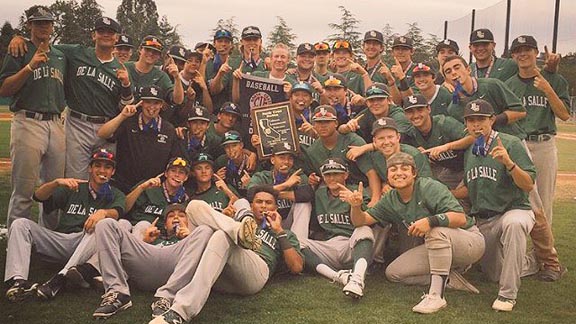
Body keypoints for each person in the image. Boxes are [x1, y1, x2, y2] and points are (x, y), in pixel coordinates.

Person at [340, 152, 484, 313]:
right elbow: (362, 221)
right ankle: (450, 279)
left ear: (414, 173)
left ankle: (436, 296)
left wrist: (430, 221)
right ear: (388, 176)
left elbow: (460, 218)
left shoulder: (429, 186)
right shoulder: (391, 198)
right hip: (436, 246)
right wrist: (355, 207)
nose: (399, 173)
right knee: (394, 273)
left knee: (435, 231)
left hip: (468, 241)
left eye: (404, 169)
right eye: (393, 169)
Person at [150, 186, 303, 323]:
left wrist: (279, 232)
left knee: (221, 236)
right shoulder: (234, 221)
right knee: (194, 206)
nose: (263, 206)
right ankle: (240, 234)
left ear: (276, 207)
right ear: (251, 206)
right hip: (221, 273)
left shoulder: (285, 234)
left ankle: (180, 312)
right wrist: (228, 222)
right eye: (259, 202)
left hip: (255, 271)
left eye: (268, 202)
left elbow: (296, 267)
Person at [7, 16, 134, 180]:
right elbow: (45, 45)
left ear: (116, 37)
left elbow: (125, 105)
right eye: (101, 31)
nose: (106, 35)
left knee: (103, 180)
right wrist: (19, 38)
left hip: (106, 126)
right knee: (76, 179)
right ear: (93, 35)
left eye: (110, 32)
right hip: (77, 125)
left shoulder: (120, 68)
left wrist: (126, 84)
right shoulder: (75, 52)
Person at [4, 149, 125, 302]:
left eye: (107, 167)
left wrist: (103, 213)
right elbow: (38, 196)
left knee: (102, 226)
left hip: (87, 246)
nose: (102, 170)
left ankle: (60, 277)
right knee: (20, 224)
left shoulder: (116, 194)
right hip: (62, 241)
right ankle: (18, 281)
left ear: (113, 171)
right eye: (98, 165)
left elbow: (117, 213)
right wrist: (55, 183)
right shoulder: (75, 187)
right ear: (90, 168)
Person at [459, 99, 536, 311]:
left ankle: (507, 295)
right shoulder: (471, 150)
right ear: (466, 123)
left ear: (492, 119)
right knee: (493, 274)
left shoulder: (510, 143)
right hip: (484, 220)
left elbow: (528, 185)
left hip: (513, 210)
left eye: (481, 119)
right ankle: (530, 262)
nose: (476, 125)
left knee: (515, 225)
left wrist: (509, 164)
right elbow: (470, 186)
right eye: (471, 120)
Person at [0, 6, 66, 229]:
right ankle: (17, 244)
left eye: (47, 22)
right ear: (29, 25)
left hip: (57, 123)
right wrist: (29, 67)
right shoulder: (19, 50)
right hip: (28, 121)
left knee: (53, 191)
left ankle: (48, 245)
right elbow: (5, 89)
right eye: (38, 22)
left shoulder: (59, 54)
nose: (43, 26)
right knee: (24, 189)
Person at [91, 204, 215, 319]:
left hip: (176, 261)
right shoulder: (153, 237)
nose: (176, 217)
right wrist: (145, 241)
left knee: (205, 229)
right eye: (171, 216)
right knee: (106, 224)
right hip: (147, 259)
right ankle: (117, 292)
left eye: (182, 215)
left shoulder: (193, 237)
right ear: (165, 225)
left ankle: (167, 297)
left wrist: (189, 236)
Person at [505, 35, 571, 226]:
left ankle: (541, 255)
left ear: (536, 53)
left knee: (543, 201)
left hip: (544, 145)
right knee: (517, 201)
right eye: (518, 50)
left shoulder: (554, 80)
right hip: (519, 145)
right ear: (513, 56)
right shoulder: (509, 85)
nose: (523, 53)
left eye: (527, 49)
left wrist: (548, 90)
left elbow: (565, 115)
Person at [299, 158, 374, 299]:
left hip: (352, 246)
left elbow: (366, 221)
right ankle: (339, 277)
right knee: (296, 242)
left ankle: (357, 279)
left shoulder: (357, 192)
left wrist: (355, 205)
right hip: (329, 247)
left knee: (364, 230)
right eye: (327, 175)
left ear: (345, 175)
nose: (332, 178)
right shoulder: (319, 195)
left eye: (336, 173)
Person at [97, 85, 183, 193]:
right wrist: (122, 116)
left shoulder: (168, 129)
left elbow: (174, 161)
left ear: (161, 105)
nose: (152, 107)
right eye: (148, 102)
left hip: (153, 188)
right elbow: (102, 133)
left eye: (156, 103)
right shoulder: (128, 122)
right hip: (123, 186)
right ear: (141, 103)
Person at [303, 105, 380, 206]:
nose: (323, 125)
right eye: (319, 122)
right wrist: (313, 179)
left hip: (361, 189)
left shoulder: (353, 141)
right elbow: (316, 177)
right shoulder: (312, 151)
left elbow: (371, 173)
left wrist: (374, 200)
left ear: (336, 123)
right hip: (334, 194)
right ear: (313, 125)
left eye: (327, 121)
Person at [402, 94, 467, 189]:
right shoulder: (410, 134)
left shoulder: (444, 123)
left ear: (428, 109)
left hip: (469, 165)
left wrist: (447, 146)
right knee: (434, 189)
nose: (415, 115)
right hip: (450, 170)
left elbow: (472, 138)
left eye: (420, 110)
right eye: (410, 112)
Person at [248, 142, 313, 236]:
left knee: (304, 204)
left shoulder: (297, 176)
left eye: (290, 158)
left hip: (288, 223)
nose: (286, 162)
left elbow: (308, 195)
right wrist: (285, 185)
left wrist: (276, 194)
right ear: (273, 160)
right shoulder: (263, 176)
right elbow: (251, 193)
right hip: (265, 222)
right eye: (282, 158)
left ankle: (299, 244)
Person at [122, 156, 190, 240]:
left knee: (143, 225)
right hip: (131, 227)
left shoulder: (184, 199)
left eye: (181, 172)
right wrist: (141, 188)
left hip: (155, 236)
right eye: (173, 171)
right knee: (121, 223)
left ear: (186, 177)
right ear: (166, 173)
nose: (176, 175)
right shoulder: (149, 186)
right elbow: (123, 208)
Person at [124, 35, 184, 106]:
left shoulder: (161, 76)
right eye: (148, 49)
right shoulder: (125, 67)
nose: (151, 54)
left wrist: (176, 77)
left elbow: (177, 100)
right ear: (140, 49)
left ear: (159, 56)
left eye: (155, 52)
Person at [188, 152, 240, 216]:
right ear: (193, 173)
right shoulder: (193, 199)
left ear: (212, 171)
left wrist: (226, 190)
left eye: (207, 168)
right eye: (199, 168)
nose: (203, 171)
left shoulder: (224, 187)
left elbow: (241, 206)